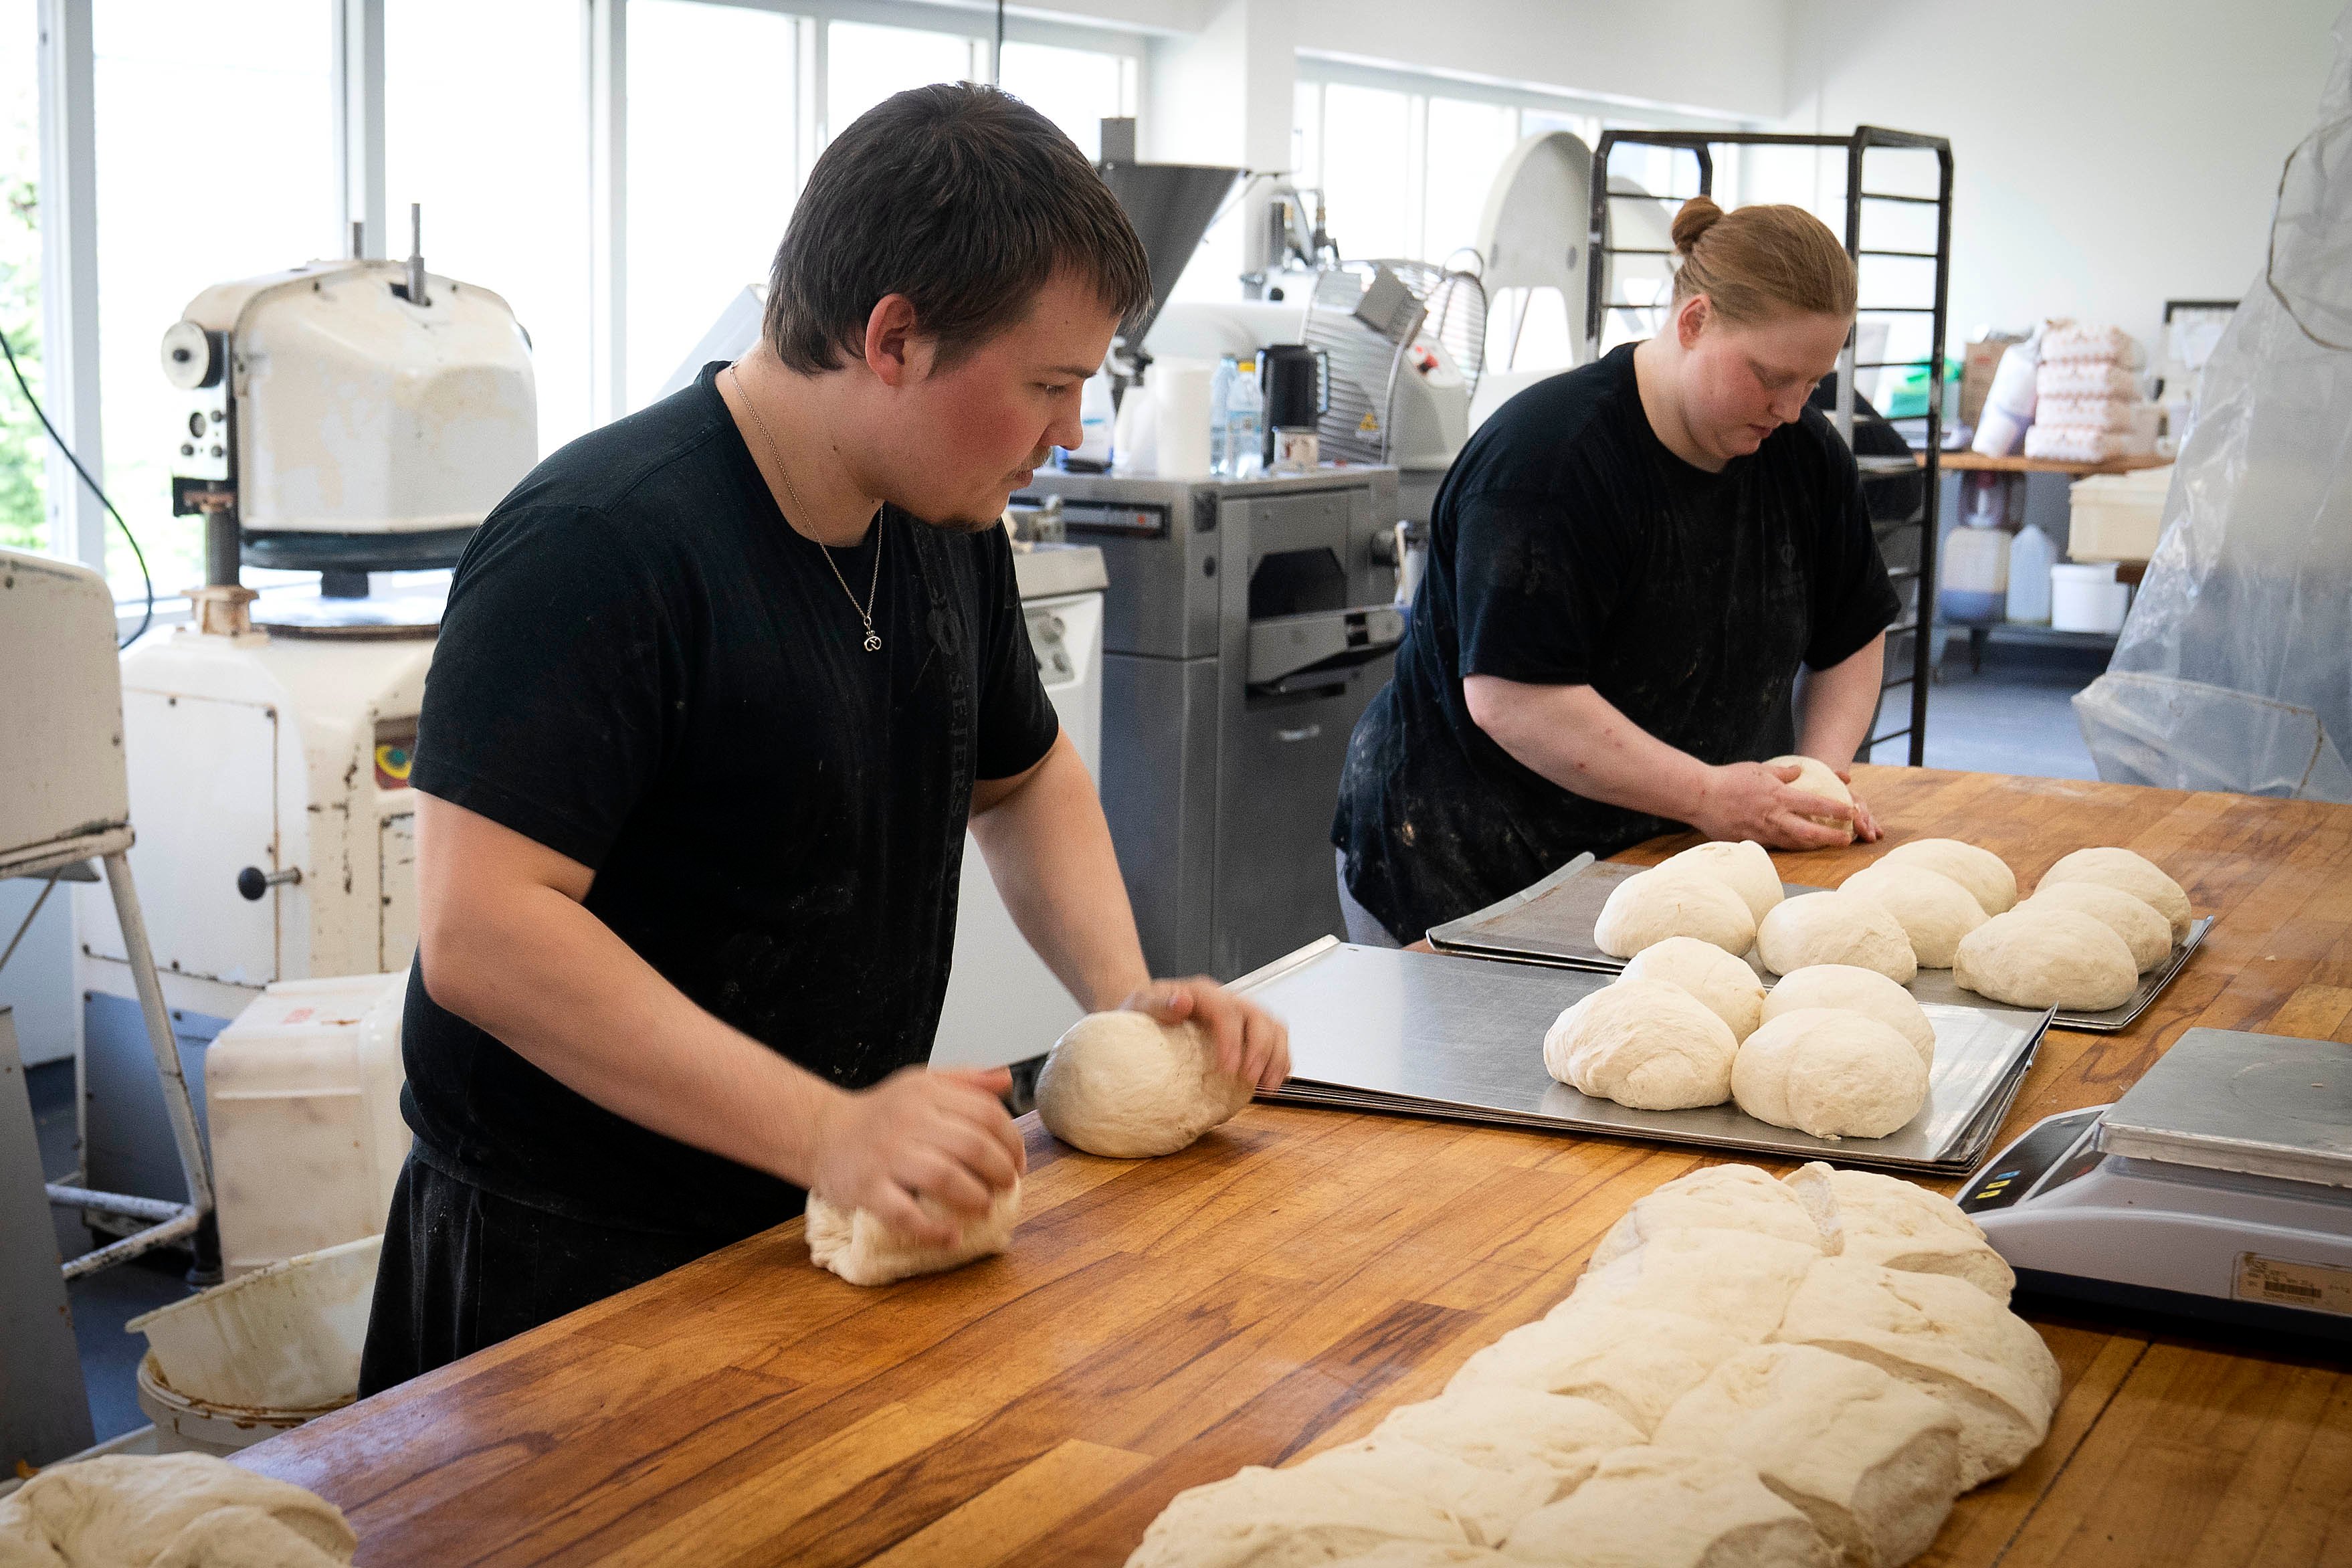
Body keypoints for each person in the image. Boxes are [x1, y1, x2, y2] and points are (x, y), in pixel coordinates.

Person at [360, 85, 1289, 1392]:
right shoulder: (603, 541)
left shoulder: (944, 526)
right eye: (1046, 385)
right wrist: (830, 1125)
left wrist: (1124, 996)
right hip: (563, 1268)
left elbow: (1021, 781)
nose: (1068, 433)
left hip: (813, 1223)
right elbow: (483, 934)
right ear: (894, 337)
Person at [1333, 196, 1901, 947]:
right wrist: (1709, 795)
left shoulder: (1802, 454)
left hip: (1660, 857)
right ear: (1693, 322)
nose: (1792, 409)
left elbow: (1853, 631)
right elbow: (1515, 700)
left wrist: (1811, 781)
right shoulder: (1550, 460)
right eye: (1771, 377)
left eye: (1812, 383)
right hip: (1466, 863)